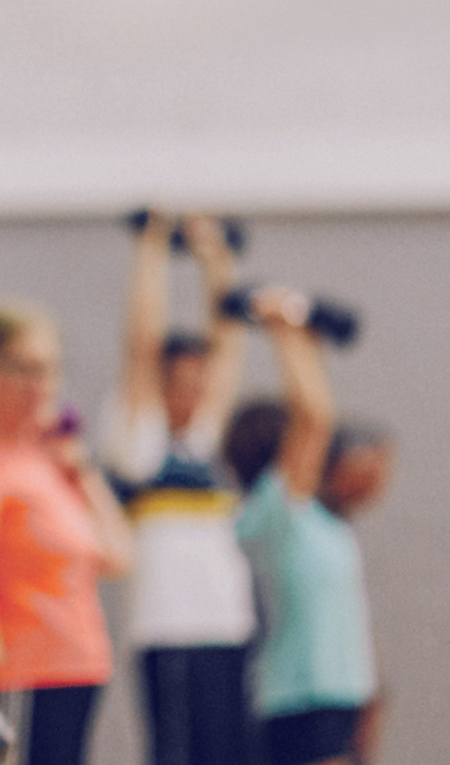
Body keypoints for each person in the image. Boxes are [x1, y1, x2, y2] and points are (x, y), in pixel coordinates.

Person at [99, 211, 256, 765]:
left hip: (227, 625)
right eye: (180, 381)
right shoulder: (138, 441)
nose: (194, 392)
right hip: (167, 630)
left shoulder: (208, 439)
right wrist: (153, 246)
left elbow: (229, 339)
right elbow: (141, 345)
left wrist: (217, 258)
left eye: (200, 381)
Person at [0, 304, 134, 765]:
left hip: (77, 665)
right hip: (13, 669)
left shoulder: (51, 458)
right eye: (25, 369)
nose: (42, 386)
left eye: (50, 371)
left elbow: (117, 555)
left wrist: (81, 469)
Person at [222, 289, 393, 765]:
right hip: (301, 698)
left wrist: (307, 344)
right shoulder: (274, 514)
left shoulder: (323, 521)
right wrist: (283, 327)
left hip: (344, 695)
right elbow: (315, 415)